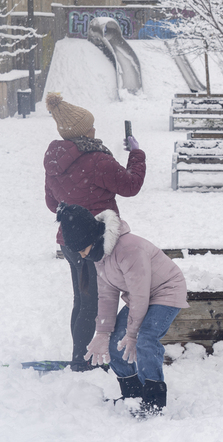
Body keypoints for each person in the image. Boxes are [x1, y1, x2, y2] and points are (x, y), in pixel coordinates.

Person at [43, 93, 146, 372]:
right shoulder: (97, 160)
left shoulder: (54, 160)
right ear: (83, 132)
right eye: (91, 127)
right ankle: (86, 361)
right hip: (96, 243)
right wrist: (136, 153)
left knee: (83, 299)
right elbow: (131, 185)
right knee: (95, 303)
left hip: (69, 241)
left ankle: (83, 355)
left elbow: (53, 204)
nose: (94, 130)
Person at [56, 203, 189, 416]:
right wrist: (102, 332)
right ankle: (133, 396)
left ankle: (154, 400)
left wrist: (133, 333)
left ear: (92, 238)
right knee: (115, 341)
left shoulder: (128, 249)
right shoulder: (99, 254)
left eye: (82, 248)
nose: (81, 254)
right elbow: (107, 295)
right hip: (142, 296)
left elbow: (139, 295)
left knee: (145, 339)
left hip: (166, 291)